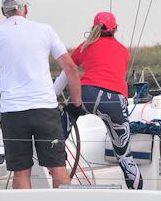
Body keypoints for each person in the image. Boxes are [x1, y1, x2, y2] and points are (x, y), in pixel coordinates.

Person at [0, 0, 83, 190]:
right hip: (45, 110)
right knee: (57, 166)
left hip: (13, 114)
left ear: (3, 11)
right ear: (25, 9)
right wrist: (76, 104)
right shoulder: (45, 30)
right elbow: (71, 69)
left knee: (21, 171)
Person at [53, 12, 142, 189]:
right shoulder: (124, 52)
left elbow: (68, 70)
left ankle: (57, 158)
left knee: (63, 122)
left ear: (93, 27)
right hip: (114, 101)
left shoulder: (85, 46)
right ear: (115, 29)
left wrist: (51, 95)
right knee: (125, 157)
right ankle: (138, 196)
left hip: (86, 94)